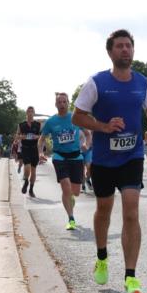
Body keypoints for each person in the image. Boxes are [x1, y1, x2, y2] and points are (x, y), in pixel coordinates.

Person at [72, 29, 147, 293]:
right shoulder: (97, 83)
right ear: (110, 52)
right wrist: (103, 126)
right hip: (103, 158)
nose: (125, 50)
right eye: (120, 46)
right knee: (104, 209)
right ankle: (101, 256)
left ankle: (131, 277)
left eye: (129, 46)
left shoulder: (142, 82)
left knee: (132, 210)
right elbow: (78, 117)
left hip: (132, 155)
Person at [40, 93, 88, 230]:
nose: (62, 104)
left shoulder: (76, 118)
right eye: (59, 102)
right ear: (56, 105)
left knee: (76, 192)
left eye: (64, 102)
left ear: (68, 103)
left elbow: (88, 134)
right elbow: (42, 139)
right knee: (66, 187)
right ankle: (71, 218)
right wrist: (40, 152)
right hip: (59, 157)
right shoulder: (51, 122)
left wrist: (86, 144)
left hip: (76, 157)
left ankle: (70, 197)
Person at [18, 106, 43, 197]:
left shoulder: (38, 124)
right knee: (27, 168)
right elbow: (17, 136)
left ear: (34, 113)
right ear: (26, 113)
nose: (30, 113)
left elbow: (41, 136)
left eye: (32, 111)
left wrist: (36, 137)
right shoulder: (21, 124)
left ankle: (31, 190)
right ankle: (25, 182)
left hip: (34, 149)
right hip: (25, 148)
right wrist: (21, 137)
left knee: (33, 171)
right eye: (29, 111)